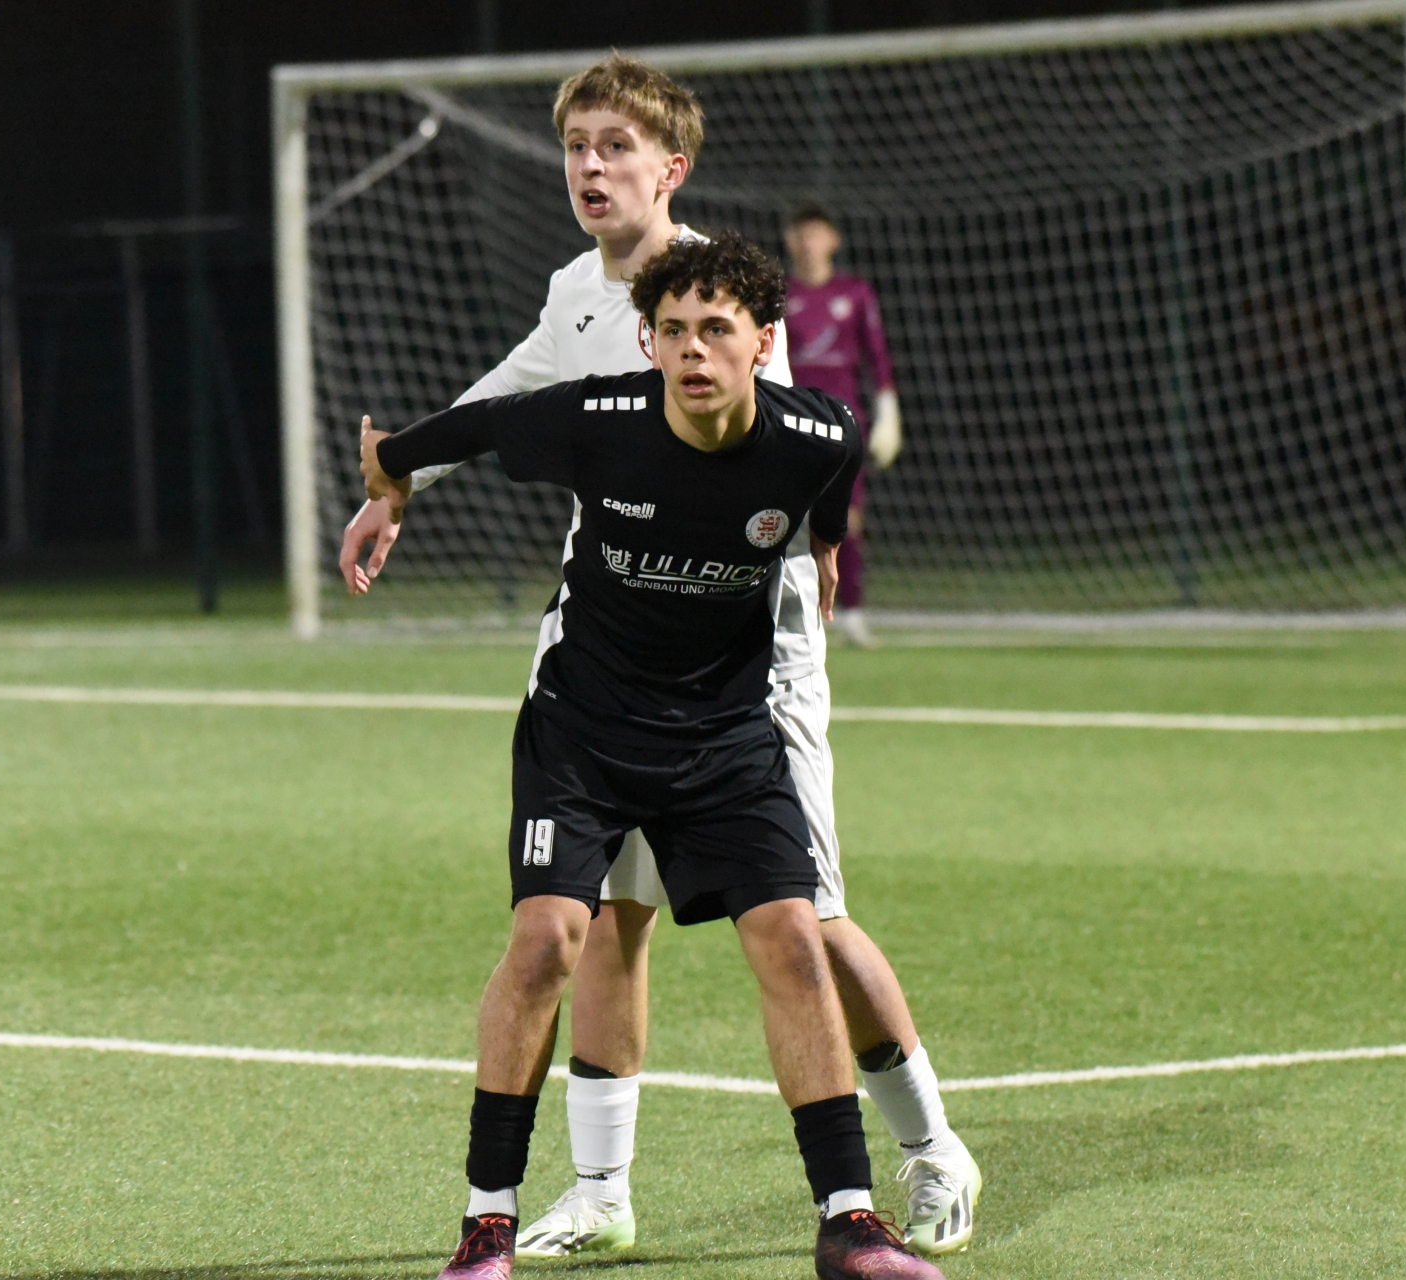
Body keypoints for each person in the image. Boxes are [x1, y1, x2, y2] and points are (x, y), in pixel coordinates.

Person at [339, 56, 980, 1260]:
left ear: (669, 167)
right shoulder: (577, 290)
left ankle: (931, 1141)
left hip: (750, 663)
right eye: (576, 145)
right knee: (610, 914)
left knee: (811, 918)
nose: (589, 166)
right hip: (618, 652)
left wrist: (822, 561)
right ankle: (602, 1186)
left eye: (615, 147)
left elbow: (792, 463)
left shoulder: (719, 303)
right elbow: (512, 394)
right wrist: (401, 480)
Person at [784, 205, 903, 649]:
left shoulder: (854, 293)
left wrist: (888, 409)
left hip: (842, 420)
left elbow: (877, 355)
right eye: (801, 234)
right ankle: (786, 611)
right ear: (790, 240)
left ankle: (850, 613)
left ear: (833, 240)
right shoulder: (778, 295)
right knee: (783, 518)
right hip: (789, 418)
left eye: (816, 234)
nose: (808, 243)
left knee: (847, 520)